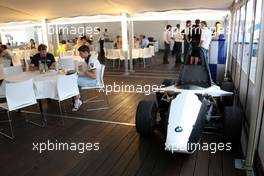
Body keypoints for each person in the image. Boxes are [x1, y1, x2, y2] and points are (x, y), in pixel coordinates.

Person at [73, 45, 102, 111]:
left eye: (81, 53)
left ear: (86, 52)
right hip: (94, 79)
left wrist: (84, 71)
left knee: (73, 81)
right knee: (76, 78)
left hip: (95, 81)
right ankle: (77, 98)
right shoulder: (89, 59)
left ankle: (77, 100)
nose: (79, 55)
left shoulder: (91, 61)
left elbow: (94, 76)